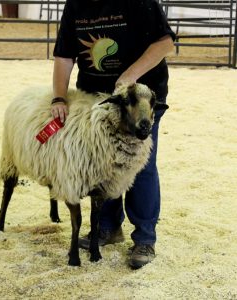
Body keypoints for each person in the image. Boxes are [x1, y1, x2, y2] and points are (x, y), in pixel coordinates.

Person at [51, 0, 175, 269]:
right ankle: (108, 227)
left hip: (139, 99)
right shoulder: (76, 5)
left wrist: (129, 78)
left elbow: (165, 44)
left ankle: (144, 237)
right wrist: (59, 97)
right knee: (101, 163)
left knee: (138, 165)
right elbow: (64, 55)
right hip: (97, 102)